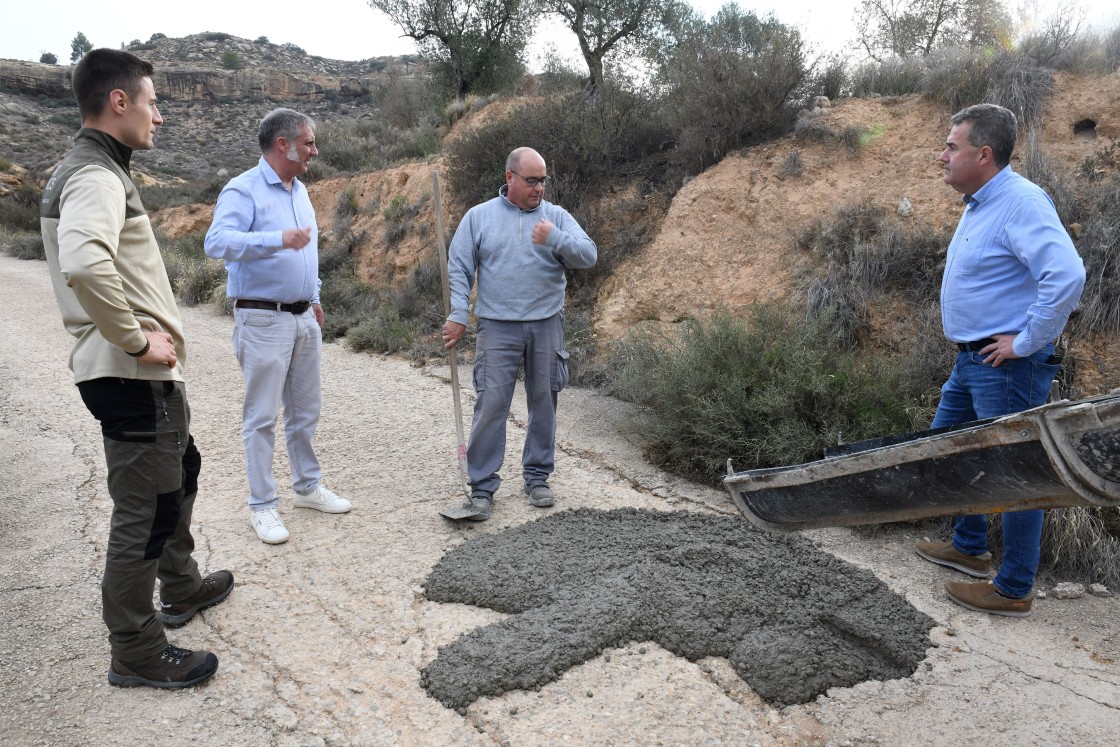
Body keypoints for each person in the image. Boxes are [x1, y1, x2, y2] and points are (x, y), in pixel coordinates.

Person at [40, 48, 233, 689]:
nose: (158, 113)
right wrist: (134, 341)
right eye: (151, 100)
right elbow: (86, 265)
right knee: (145, 510)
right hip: (129, 373)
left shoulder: (95, 168)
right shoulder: (95, 174)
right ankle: (136, 647)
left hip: (135, 375)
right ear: (118, 101)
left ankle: (180, 588)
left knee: (180, 471)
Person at [915, 103, 1085, 617]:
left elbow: (1067, 275)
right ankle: (969, 548)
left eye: (952, 146)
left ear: (983, 154)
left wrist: (1026, 341)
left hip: (1006, 366)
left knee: (1015, 472)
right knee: (950, 453)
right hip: (970, 361)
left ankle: (1014, 588)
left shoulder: (1021, 202)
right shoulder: (980, 204)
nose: (941, 154)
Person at [205, 108, 350, 545]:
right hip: (262, 318)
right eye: (308, 142)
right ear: (283, 144)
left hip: (303, 316)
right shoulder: (242, 189)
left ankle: (307, 488)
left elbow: (308, 253)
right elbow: (217, 242)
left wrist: (316, 297)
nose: (314, 150)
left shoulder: (299, 190)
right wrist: (276, 240)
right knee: (262, 416)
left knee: (305, 411)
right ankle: (262, 506)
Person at [441, 147, 598, 521]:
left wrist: (555, 239)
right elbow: (459, 267)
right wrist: (459, 313)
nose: (539, 188)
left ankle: (537, 477)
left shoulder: (555, 217)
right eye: (532, 180)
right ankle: (482, 487)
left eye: (543, 180)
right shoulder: (479, 217)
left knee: (545, 400)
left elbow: (589, 256)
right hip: (497, 326)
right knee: (492, 403)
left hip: (546, 323)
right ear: (509, 177)